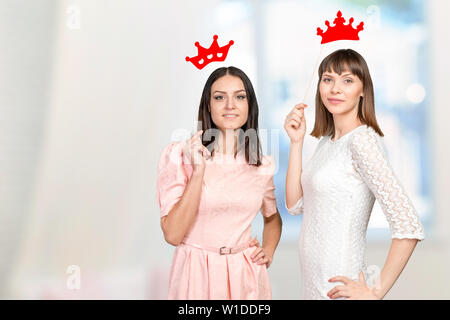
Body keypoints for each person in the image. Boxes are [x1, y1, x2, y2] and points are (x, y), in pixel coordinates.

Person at [284, 49, 425, 300]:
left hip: (340, 284)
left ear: (363, 90)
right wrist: (296, 142)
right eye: (328, 79)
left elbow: (408, 224)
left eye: (347, 80)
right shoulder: (327, 142)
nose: (335, 88)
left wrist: (374, 291)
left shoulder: (362, 142)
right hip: (314, 285)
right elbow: (295, 205)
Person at [157, 66, 282, 299]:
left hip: (246, 277)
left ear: (249, 105)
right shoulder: (179, 155)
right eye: (219, 97)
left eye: (240, 97)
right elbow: (173, 234)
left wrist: (268, 250)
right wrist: (198, 171)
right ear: (208, 106)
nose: (230, 105)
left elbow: (272, 218)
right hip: (196, 277)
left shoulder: (261, 165)